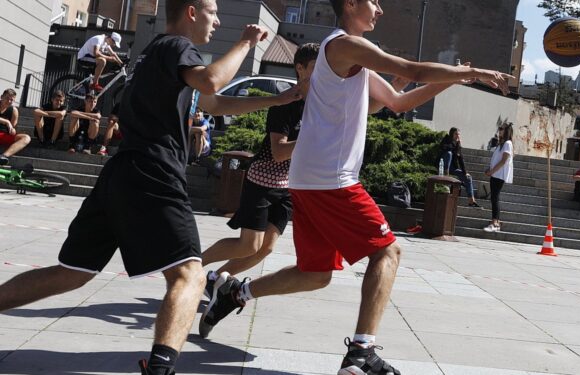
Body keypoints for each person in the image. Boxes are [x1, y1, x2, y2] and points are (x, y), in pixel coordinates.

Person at [197, 1, 513, 374]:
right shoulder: (344, 44)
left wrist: (452, 79)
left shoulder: (355, 62)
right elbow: (410, 69)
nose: (379, 9)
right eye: (373, 1)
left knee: (315, 274)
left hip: (311, 179)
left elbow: (397, 102)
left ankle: (235, 293)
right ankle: (361, 353)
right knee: (388, 253)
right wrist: (471, 70)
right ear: (350, 4)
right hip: (331, 179)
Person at [0, 0, 301, 373]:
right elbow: (210, 80)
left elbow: (212, 102)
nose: (217, 20)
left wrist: (278, 99)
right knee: (190, 275)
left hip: (122, 172)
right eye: (212, 11)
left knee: (71, 273)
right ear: (191, 12)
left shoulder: (156, 53)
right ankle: (161, 368)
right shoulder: (176, 46)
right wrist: (245, 43)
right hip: (154, 171)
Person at [200, 43, 320, 295]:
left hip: (288, 186)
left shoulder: (321, 104)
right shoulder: (286, 102)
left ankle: (215, 279)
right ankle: (195, 265)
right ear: (301, 68)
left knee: (265, 249)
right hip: (263, 179)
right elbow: (278, 152)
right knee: (248, 246)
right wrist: (315, 137)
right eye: (317, 66)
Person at [483, 123, 513, 232]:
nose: (499, 131)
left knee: (495, 197)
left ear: (506, 131)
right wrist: (490, 169)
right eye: (499, 129)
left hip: (499, 175)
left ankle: (495, 223)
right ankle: (496, 222)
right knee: (494, 197)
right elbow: (497, 159)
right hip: (495, 174)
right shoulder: (501, 144)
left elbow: (504, 161)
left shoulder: (508, 143)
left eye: (502, 129)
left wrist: (492, 171)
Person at [439, 127, 480, 207]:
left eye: (458, 134)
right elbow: (444, 147)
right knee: (449, 153)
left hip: (453, 168)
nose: (457, 136)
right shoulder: (446, 139)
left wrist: (465, 172)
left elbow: (460, 159)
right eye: (456, 134)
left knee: (468, 178)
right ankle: (446, 177)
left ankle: (471, 200)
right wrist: (455, 144)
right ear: (451, 134)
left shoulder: (457, 145)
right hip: (444, 166)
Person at [0, 88, 31, 166]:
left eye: (12, 100)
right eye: (7, 98)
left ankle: (3, 156)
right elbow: (8, 123)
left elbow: (13, 127)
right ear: (1, 97)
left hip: (4, 135)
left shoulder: (14, 110)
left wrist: (13, 130)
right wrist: (6, 121)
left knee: (26, 138)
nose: (9, 101)